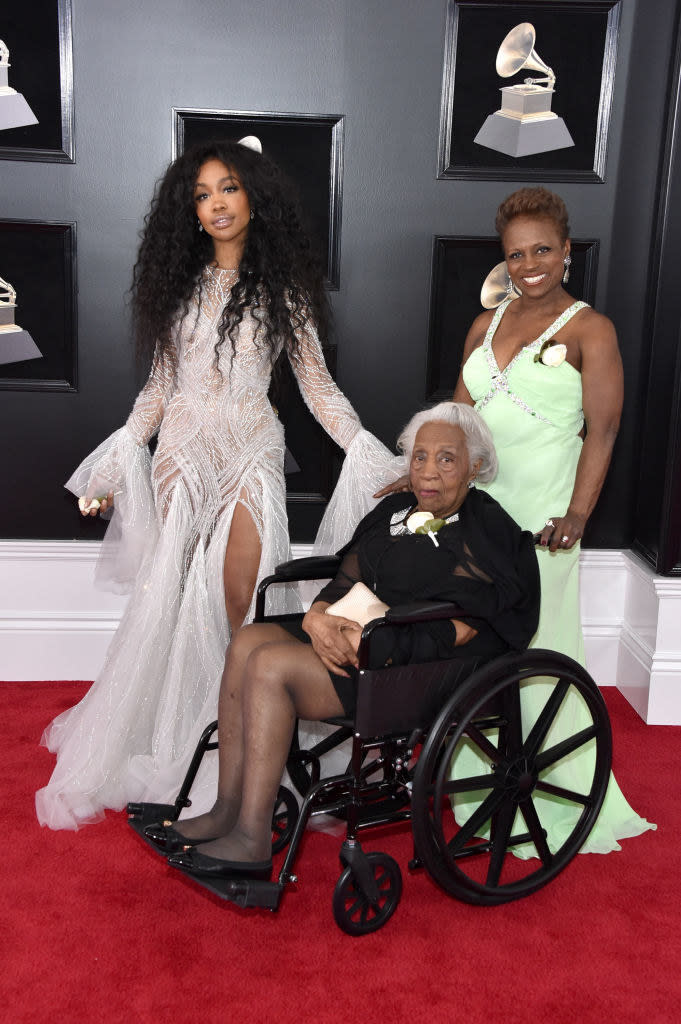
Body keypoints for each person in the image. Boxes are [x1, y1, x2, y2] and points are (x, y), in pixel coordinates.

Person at [35, 138, 394, 831]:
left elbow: (317, 389)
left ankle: (253, 738)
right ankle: (173, 734)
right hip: (182, 451)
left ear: (253, 198)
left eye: (226, 188)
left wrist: (369, 455)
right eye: (201, 195)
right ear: (191, 214)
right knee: (170, 593)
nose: (215, 204)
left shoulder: (284, 291)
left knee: (242, 594)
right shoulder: (179, 287)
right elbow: (158, 389)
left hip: (252, 450)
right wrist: (116, 462)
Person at [145, 403, 540, 875]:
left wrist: (372, 641)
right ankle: (228, 808)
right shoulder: (396, 508)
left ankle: (252, 839)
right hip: (366, 632)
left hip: (412, 661)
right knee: (248, 640)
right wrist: (317, 618)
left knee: (270, 666)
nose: (428, 471)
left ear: (474, 465)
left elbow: (464, 624)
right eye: (419, 457)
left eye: (446, 459)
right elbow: (346, 572)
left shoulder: (489, 530)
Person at [378, 186, 654, 854]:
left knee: (537, 652)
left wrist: (577, 514)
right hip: (476, 513)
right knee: (474, 648)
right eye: (514, 254)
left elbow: (604, 429)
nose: (528, 264)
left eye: (540, 250)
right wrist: (422, 483)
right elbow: (456, 426)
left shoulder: (591, 330)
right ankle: (474, 779)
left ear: (565, 252)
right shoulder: (485, 325)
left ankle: (543, 786)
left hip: (542, 521)